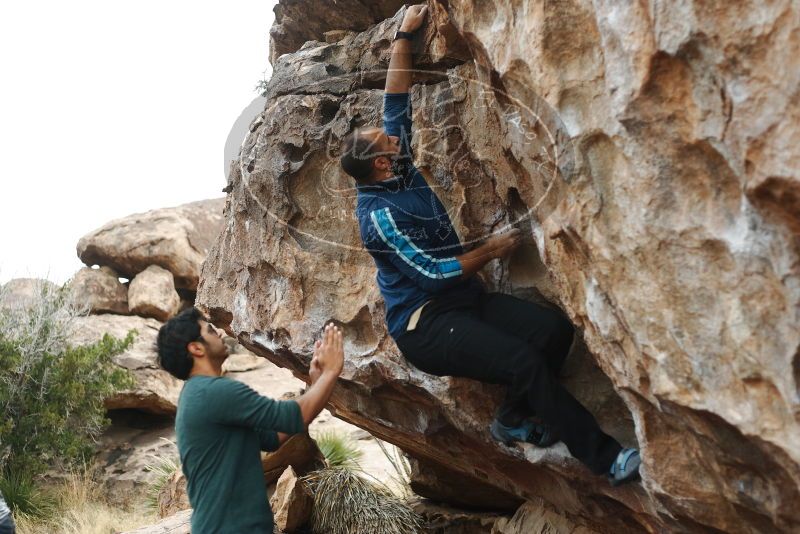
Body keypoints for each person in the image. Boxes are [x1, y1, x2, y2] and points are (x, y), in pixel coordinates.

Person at [340, 4, 640, 485]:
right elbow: (431, 276)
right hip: (426, 325)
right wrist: (493, 250)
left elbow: (396, 100)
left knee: (552, 333)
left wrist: (403, 36)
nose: (396, 140)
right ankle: (606, 458)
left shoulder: (395, 166)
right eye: (388, 144)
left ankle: (511, 419)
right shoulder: (379, 218)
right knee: (522, 361)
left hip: (465, 303)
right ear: (379, 165)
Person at [156, 308, 344, 532]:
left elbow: (273, 437)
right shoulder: (214, 392)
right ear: (196, 348)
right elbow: (291, 416)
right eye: (210, 330)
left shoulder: (198, 394)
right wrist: (331, 371)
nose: (221, 333)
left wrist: (315, 384)